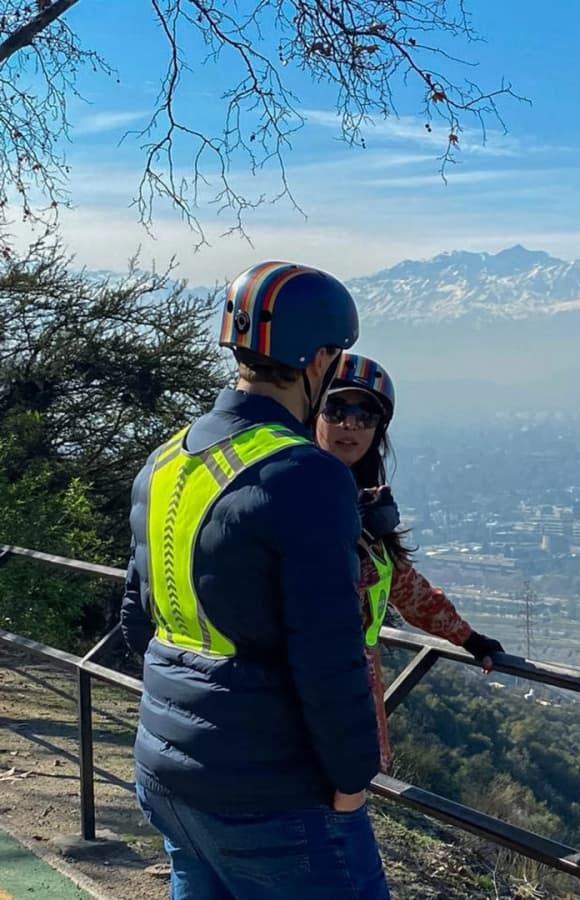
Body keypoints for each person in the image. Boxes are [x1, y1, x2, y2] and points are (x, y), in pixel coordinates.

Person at [121, 261, 390, 900]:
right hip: (271, 791)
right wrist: (353, 778)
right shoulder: (303, 473)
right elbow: (328, 652)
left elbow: (137, 623)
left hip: (168, 771)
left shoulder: (166, 460)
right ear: (319, 358)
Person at [316, 352, 505, 769]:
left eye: (365, 415)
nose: (350, 424)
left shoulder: (364, 510)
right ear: (314, 412)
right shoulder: (297, 500)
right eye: (336, 409)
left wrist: (468, 639)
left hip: (354, 704)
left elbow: (402, 585)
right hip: (309, 711)